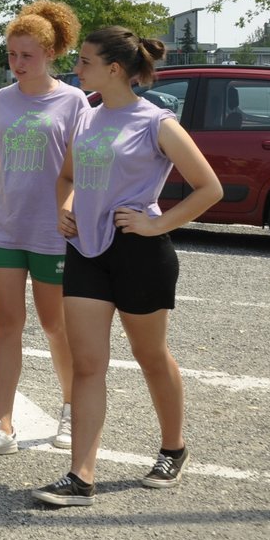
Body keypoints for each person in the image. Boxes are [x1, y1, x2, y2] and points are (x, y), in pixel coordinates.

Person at [31, 28, 221, 506]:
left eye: (86, 61)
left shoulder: (156, 122)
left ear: (114, 69)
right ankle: (80, 475)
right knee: (88, 365)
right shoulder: (87, 119)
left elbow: (208, 188)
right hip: (86, 252)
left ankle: (173, 449)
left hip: (138, 251)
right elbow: (67, 176)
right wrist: (65, 206)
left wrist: (158, 225)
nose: (78, 68)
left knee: (150, 356)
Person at [0, 0, 88, 462]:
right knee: (7, 327)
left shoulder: (74, 101)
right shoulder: (0, 101)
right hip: (4, 228)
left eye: (27, 55)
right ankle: (3, 424)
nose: (17, 64)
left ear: (51, 53)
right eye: (12, 55)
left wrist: (73, 210)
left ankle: (73, 408)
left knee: (57, 326)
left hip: (53, 230)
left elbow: (79, 170)